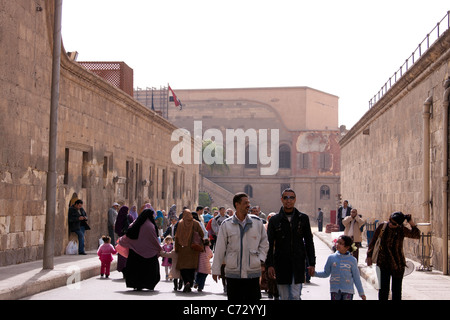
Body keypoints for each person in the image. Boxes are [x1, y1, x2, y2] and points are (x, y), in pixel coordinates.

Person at [212, 192, 269, 300]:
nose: (248, 205)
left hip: (252, 273)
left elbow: (264, 243)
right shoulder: (226, 224)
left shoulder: (257, 223)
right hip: (233, 273)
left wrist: (260, 259)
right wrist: (216, 270)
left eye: (249, 203)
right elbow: (220, 248)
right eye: (245, 203)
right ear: (237, 205)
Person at [265, 188, 316, 300]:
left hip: (298, 263)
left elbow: (309, 242)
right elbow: (268, 244)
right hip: (281, 264)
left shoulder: (303, 219)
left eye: (291, 198)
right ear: (282, 200)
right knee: (284, 296)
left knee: (295, 295)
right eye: (286, 198)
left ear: (295, 199)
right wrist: (269, 264)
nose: (288, 200)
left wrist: (312, 263)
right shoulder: (275, 220)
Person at [366, 211, 420, 300]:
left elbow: (416, 235)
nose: (390, 224)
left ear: (398, 224)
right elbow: (373, 241)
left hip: (398, 264)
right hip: (383, 263)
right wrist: (369, 256)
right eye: (390, 221)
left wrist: (411, 222)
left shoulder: (401, 230)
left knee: (397, 291)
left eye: (394, 223)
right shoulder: (382, 227)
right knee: (383, 290)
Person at [119, 208, 161, 291]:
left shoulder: (135, 224)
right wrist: (159, 248)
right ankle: (149, 284)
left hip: (135, 253)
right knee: (150, 270)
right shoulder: (150, 226)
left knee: (135, 270)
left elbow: (128, 235)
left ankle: (136, 284)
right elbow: (154, 239)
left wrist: (120, 240)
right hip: (149, 254)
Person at [314, 235, 366, 300]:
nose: (338, 244)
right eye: (337, 242)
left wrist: (361, 293)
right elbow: (326, 273)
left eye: (341, 243)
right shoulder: (331, 258)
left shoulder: (352, 260)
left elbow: (356, 278)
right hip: (335, 291)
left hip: (348, 292)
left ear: (347, 247)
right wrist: (314, 273)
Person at [174, 208, 205, 293]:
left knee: (183, 268)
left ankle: (186, 282)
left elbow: (176, 237)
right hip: (193, 249)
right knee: (191, 268)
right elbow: (202, 234)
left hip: (182, 249)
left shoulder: (180, 223)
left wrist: (176, 248)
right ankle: (190, 283)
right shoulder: (196, 223)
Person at [115, 206, 130, 275]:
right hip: (129, 239)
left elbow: (116, 229)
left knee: (121, 254)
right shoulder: (129, 217)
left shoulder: (119, 217)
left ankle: (123, 269)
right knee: (128, 254)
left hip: (121, 239)